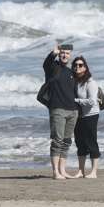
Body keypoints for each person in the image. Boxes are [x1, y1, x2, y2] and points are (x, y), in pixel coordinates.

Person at [42, 44, 77, 180]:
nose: (64, 55)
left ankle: (62, 170)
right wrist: (54, 53)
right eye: (62, 53)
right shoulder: (53, 67)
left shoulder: (71, 72)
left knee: (67, 141)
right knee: (57, 141)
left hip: (72, 111)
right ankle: (55, 172)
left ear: (70, 55)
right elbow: (46, 63)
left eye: (67, 53)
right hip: (58, 109)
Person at [71, 56, 100, 179]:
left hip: (91, 115)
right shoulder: (75, 81)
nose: (77, 67)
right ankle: (81, 171)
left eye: (80, 65)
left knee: (91, 142)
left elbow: (92, 101)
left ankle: (94, 172)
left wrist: (75, 100)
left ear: (85, 67)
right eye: (75, 65)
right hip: (79, 116)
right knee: (80, 143)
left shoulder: (91, 83)